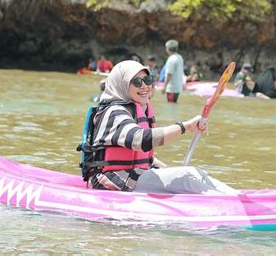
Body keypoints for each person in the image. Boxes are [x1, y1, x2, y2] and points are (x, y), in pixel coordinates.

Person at [86, 60, 236, 194]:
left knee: (190, 174)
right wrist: (185, 126)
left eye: (148, 79)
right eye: (137, 82)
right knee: (187, 177)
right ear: (122, 84)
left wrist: (172, 171)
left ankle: (235, 196)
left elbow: (146, 158)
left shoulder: (139, 108)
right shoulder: (114, 112)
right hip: (110, 181)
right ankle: (232, 202)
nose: (145, 86)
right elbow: (140, 140)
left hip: (133, 174)